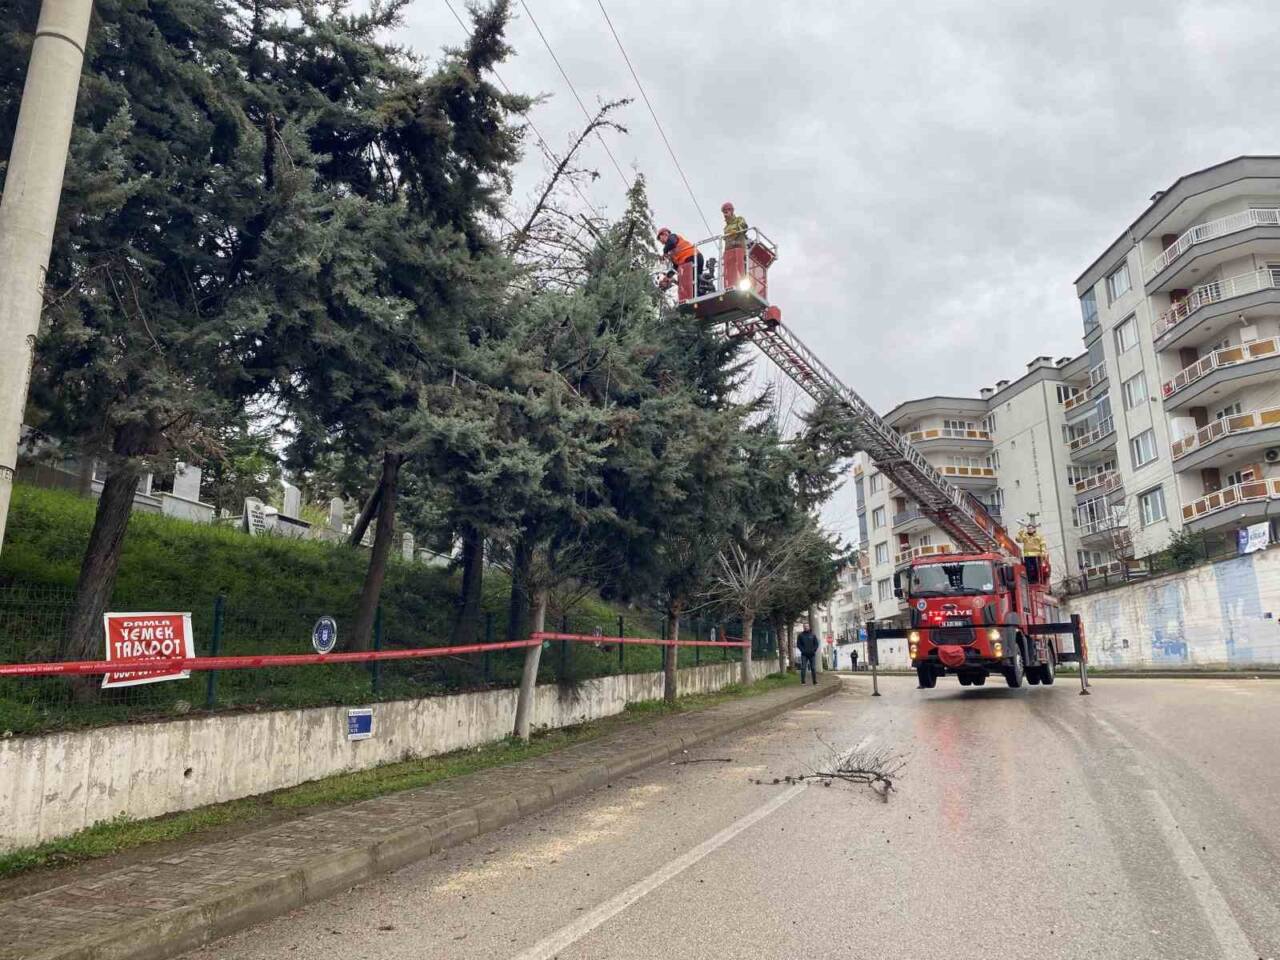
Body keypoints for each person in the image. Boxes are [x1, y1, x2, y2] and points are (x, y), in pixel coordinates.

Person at [656, 227, 704, 295]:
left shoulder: (673, 237)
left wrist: (664, 252)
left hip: (691, 257)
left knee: (688, 281)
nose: (661, 242)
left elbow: (672, 242)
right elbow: (675, 267)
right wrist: (667, 277)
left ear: (665, 234)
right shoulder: (671, 252)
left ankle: (696, 293)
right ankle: (700, 293)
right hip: (695, 258)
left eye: (660, 238)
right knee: (696, 282)